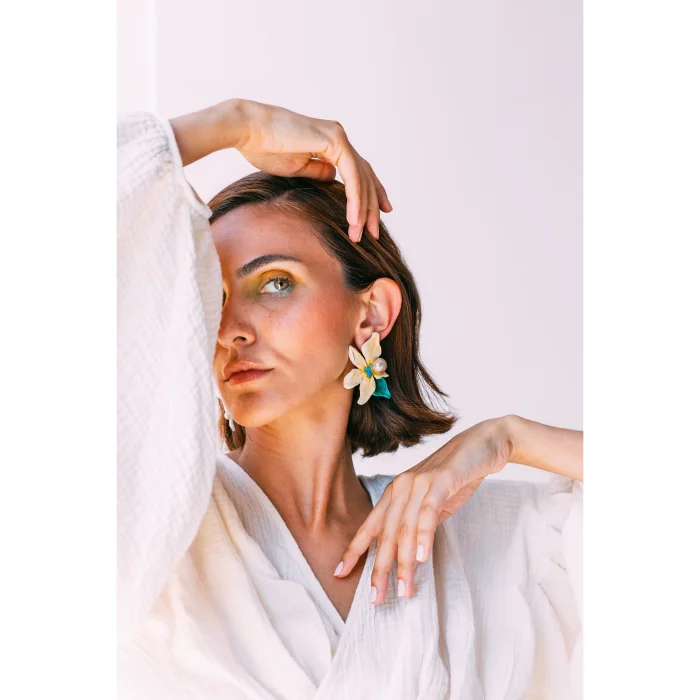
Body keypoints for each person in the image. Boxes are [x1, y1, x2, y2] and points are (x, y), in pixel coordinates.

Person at [117, 98, 583, 699]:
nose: (230, 329)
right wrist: (237, 123)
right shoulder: (158, 518)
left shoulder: (480, 539)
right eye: (215, 295)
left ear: (371, 315)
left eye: (275, 283)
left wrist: (507, 438)